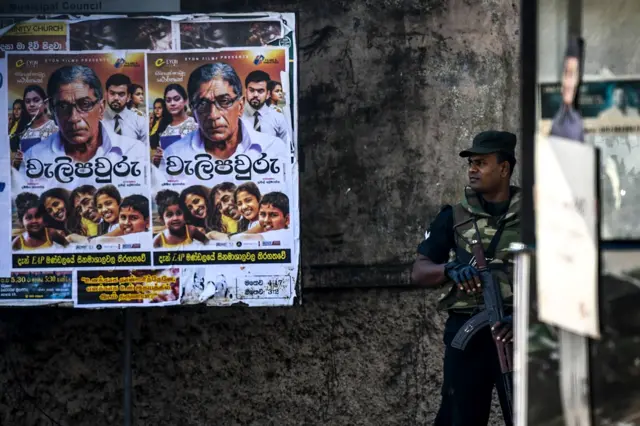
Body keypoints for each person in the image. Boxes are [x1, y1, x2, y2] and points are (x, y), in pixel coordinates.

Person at [411, 131, 520, 426]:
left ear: (504, 168)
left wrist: (526, 320)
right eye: (471, 163)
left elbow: (559, 274)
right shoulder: (454, 215)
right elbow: (419, 271)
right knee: (460, 418)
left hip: (519, 332)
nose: (473, 169)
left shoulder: (535, 217)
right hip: (468, 334)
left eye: (481, 163)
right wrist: (449, 270)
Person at [15, 65, 146, 190]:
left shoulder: (134, 152)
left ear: (101, 109)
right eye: (63, 107)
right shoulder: (34, 157)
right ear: (52, 111)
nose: (74, 118)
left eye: (85, 104)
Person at [156, 62, 287, 171]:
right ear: (193, 111)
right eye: (202, 104)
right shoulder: (174, 156)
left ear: (240, 106)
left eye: (224, 101)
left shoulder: (273, 149)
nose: (213, 115)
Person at [242, 71, 293, 153]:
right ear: (246, 91)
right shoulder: (236, 117)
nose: (255, 95)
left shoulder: (278, 117)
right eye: (251, 90)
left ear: (268, 94)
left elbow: (287, 150)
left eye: (260, 91)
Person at [11, 85, 59, 168]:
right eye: (28, 101)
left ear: (45, 103)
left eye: (36, 100)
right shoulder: (24, 131)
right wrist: (18, 161)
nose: (31, 104)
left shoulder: (55, 129)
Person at [151, 84, 198, 166]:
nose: (172, 103)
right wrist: (156, 160)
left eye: (176, 99)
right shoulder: (164, 127)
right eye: (168, 100)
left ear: (185, 101)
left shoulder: (194, 126)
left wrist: (168, 156)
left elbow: (199, 158)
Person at [549, 37, 584, 142]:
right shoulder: (555, 114)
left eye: (572, 74)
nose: (568, 83)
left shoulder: (577, 121)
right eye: (566, 73)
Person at [102, 73, 147, 143]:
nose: (116, 98)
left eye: (121, 94)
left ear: (128, 97)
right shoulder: (98, 120)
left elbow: (145, 150)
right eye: (112, 93)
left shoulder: (140, 121)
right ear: (106, 94)